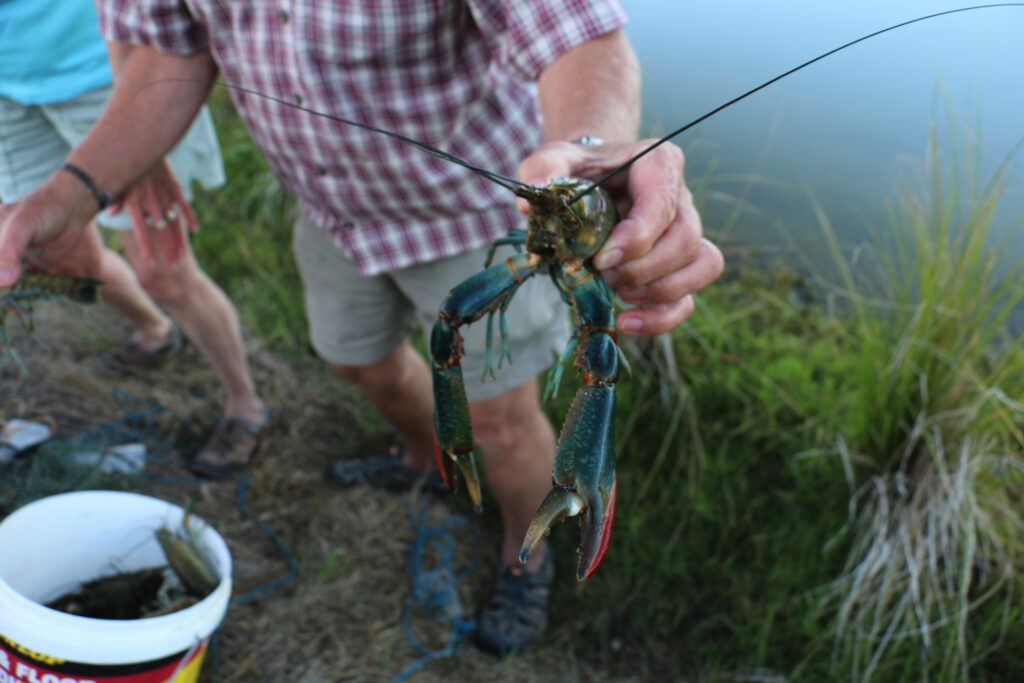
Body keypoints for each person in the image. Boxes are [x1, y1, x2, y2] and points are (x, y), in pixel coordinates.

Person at [0, 0, 724, 655]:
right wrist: (70, 192)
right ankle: (425, 459)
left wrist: (592, 147)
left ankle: (524, 551)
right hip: (331, 208)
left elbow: (574, 32)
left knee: (504, 417)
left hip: (484, 211)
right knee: (356, 360)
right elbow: (168, 51)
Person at [0, 0, 268, 476]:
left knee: (164, 272)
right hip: (9, 89)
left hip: (105, 75)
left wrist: (141, 140)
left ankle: (244, 406)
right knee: (61, 261)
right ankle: (155, 331)